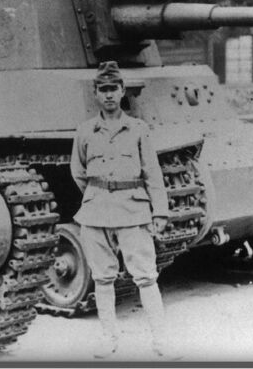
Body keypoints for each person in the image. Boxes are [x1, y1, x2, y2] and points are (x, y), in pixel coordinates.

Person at [70, 61, 170, 359]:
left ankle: (161, 341)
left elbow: (152, 172)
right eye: (103, 89)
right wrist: (98, 195)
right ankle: (109, 339)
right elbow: (78, 172)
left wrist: (160, 211)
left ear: (123, 90)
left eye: (114, 88)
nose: (109, 94)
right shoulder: (85, 131)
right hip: (96, 213)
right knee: (102, 279)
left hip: (132, 212)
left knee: (146, 277)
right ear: (96, 93)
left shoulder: (138, 129)